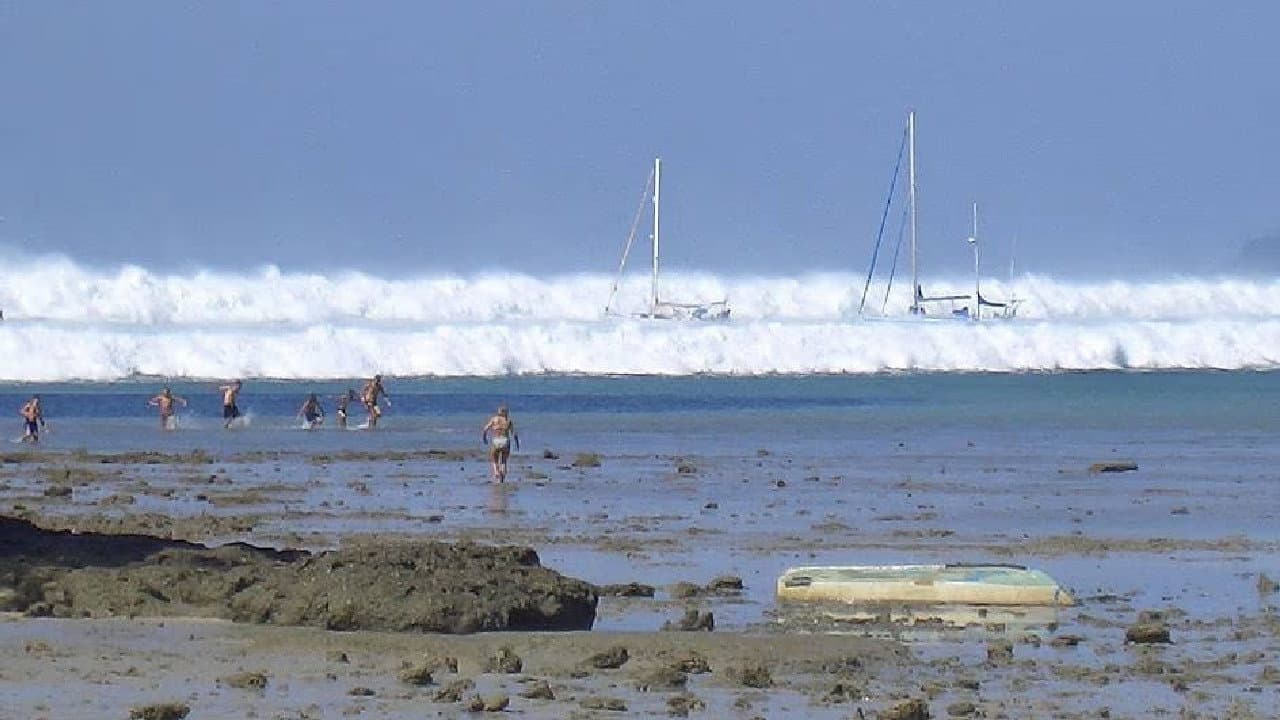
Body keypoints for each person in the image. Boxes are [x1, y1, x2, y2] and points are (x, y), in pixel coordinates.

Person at [482, 405, 519, 482]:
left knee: (494, 459)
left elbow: (485, 429)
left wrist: (484, 438)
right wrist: (517, 444)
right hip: (505, 440)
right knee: (504, 460)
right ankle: (502, 476)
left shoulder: (494, 419)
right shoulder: (508, 421)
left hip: (496, 440)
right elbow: (514, 434)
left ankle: (496, 472)